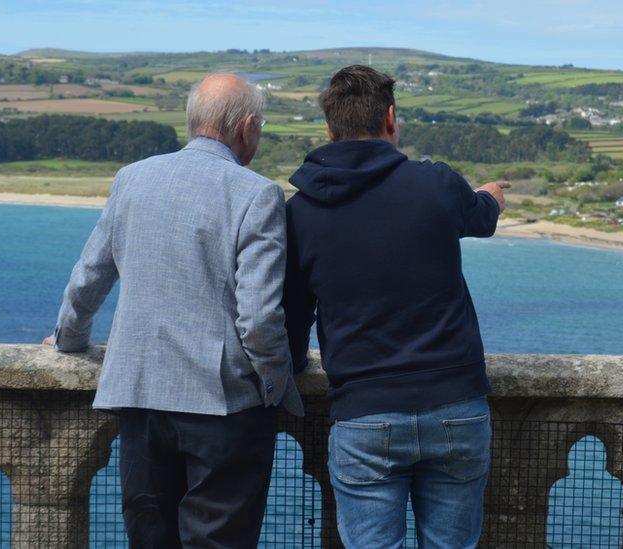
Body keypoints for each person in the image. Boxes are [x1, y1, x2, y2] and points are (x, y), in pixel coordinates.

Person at [43, 73, 302, 549]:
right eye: (260, 126)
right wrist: (277, 383)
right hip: (223, 407)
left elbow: (88, 279)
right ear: (246, 127)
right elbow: (260, 318)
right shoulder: (257, 193)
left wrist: (69, 340)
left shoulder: (132, 178)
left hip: (140, 398)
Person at [283, 65, 508, 548]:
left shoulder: (301, 211)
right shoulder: (437, 185)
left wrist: (297, 364)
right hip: (456, 403)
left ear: (329, 129)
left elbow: (294, 314)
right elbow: (482, 218)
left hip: (364, 412)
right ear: (390, 118)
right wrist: (488, 196)